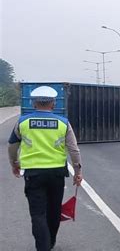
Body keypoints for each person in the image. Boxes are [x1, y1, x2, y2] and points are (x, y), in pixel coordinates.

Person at [7, 86, 83, 251]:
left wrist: (14, 163)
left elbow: (12, 145)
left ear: (34, 103)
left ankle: (44, 246)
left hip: (33, 174)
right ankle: (50, 242)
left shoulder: (23, 122)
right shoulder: (63, 123)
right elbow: (74, 149)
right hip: (56, 174)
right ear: (53, 103)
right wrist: (78, 172)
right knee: (54, 211)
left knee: (38, 214)